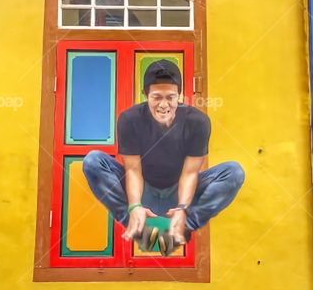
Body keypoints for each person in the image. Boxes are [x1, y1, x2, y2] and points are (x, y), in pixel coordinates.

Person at [82, 60, 244, 256]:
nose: (164, 104)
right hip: (144, 191)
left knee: (234, 172)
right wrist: (134, 206)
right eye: (157, 97)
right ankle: (136, 226)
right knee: (93, 161)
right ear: (146, 95)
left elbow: (190, 173)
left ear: (180, 96)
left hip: (179, 193)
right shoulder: (130, 119)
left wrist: (183, 209)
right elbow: (133, 171)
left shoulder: (197, 122)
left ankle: (183, 227)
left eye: (171, 97)